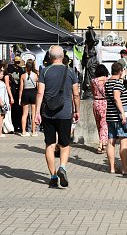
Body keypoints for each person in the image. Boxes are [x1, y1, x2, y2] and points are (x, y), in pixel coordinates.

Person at [35, 45, 80, 188]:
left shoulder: (44, 71)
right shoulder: (71, 72)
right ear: (63, 56)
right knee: (65, 144)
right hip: (65, 112)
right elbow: (76, 94)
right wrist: (77, 110)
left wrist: (37, 112)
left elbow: (40, 93)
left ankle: (53, 176)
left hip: (48, 112)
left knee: (49, 144)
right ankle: (63, 167)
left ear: (49, 56)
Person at [105, 62, 127, 175]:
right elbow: (117, 98)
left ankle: (112, 168)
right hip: (119, 116)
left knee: (111, 141)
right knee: (123, 141)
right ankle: (124, 168)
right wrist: (123, 113)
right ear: (120, 71)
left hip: (110, 115)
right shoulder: (117, 84)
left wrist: (121, 78)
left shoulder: (108, 83)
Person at [91, 64, 109, 154]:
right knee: (104, 124)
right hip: (105, 103)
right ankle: (102, 144)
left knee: (99, 124)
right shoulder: (107, 80)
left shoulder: (93, 81)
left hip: (96, 103)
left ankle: (101, 143)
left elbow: (92, 92)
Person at [19, 59, 38, 137]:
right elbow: (38, 86)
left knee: (24, 114)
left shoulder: (23, 76)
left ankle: (23, 132)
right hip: (33, 93)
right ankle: (33, 132)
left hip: (25, 93)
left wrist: (20, 98)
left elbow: (21, 89)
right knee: (34, 114)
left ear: (26, 67)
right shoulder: (36, 75)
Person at [7, 56, 24, 132]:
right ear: (14, 61)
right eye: (16, 61)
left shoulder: (20, 69)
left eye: (18, 62)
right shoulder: (10, 67)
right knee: (13, 109)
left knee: (19, 109)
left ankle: (18, 125)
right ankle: (13, 125)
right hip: (12, 90)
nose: (17, 63)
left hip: (18, 90)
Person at [0, 68, 10, 137]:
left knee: (2, 117)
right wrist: (1, 102)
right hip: (1, 102)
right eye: (1, 74)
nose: (2, 75)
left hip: (3, 102)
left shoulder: (2, 82)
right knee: (0, 118)